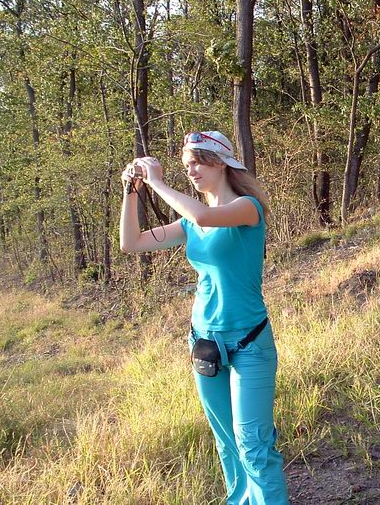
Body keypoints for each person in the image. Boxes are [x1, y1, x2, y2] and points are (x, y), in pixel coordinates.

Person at [119, 131, 290, 504]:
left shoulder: (247, 208)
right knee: (227, 444)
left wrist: (157, 181)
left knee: (254, 444)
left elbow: (203, 213)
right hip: (205, 342)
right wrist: (132, 191)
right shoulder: (188, 225)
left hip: (249, 343)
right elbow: (131, 243)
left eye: (197, 162)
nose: (191, 171)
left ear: (221, 161)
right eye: (186, 166)